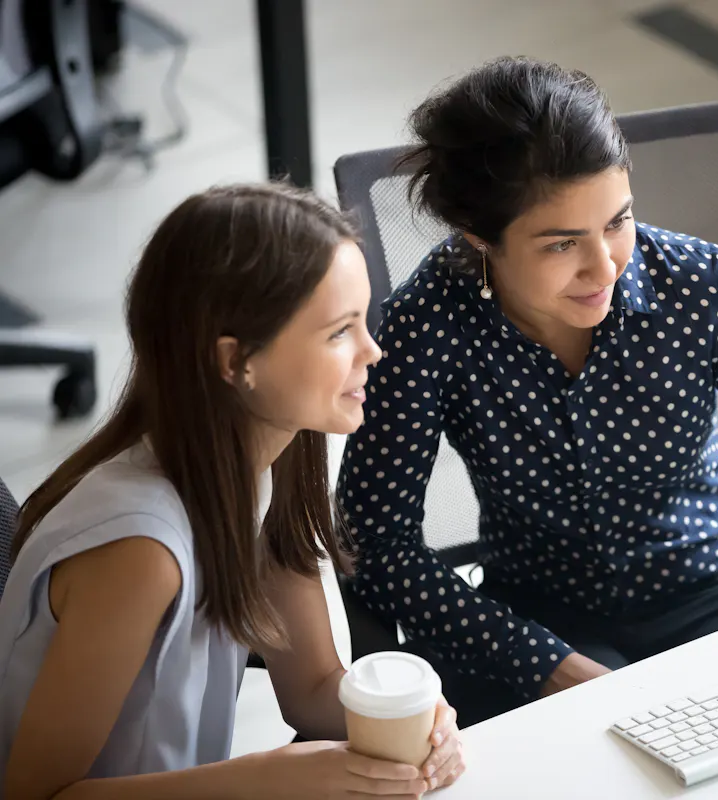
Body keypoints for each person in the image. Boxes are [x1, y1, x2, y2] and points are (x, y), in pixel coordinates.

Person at [338, 57, 718, 726]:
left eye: (618, 221)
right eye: (562, 243)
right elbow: (375, 542)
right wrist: (536, 660)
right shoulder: (429, 323)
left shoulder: (701, 286)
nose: (604, 267)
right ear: (478, 236)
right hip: (540, 613)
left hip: (717, 583)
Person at [0, 184, 465, 799]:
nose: (372, 351)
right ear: (236, 362)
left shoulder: (270, 461)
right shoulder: (140, 552)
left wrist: (420, 724)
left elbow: (313, 690)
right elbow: (34, 796)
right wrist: (266, 778)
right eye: (338, 333)